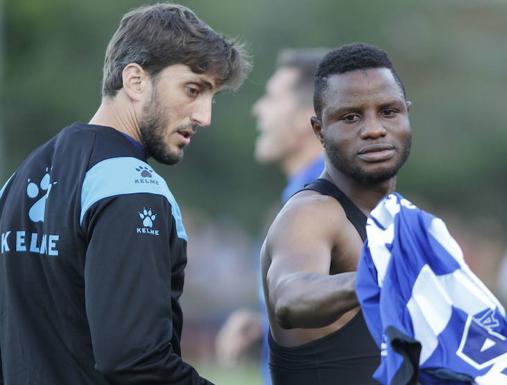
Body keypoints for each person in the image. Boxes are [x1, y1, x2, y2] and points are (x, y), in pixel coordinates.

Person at [0, 4, 250, 385]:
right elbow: (136, 361)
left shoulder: (18, 179)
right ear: (135, 81)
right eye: (193, 89)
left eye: (211, 96)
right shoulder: (130, 184)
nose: (204, 115)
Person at [260, 43, 412, 385]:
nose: (374, 129)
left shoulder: (400, 218)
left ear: (407, 114)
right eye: (351, 117)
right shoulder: (311, 213)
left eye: (388, 111)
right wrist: (377, 279)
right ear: (319, 130)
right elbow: (290, 294)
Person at [215, 48, 327, 385]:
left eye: (271, 98)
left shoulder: (322, 201)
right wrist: (265, 328)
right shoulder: (307, 193)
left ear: (306, 117)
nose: (257, 109)